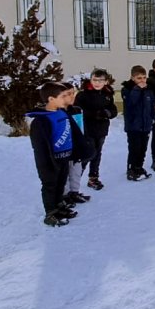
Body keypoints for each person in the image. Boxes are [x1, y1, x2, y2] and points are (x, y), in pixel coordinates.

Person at [27, 81, 79, 227]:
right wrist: (48, 163)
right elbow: (40, 146)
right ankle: (50, 212)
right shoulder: (41, 121)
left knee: (61, 183)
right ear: (51, 99)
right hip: (50, 161)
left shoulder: (62, 113)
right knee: (50, 185)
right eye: (62, 96)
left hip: (65, 157)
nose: (66, 99)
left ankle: (59, 206)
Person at [74, 68, 117, 190]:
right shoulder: (83, 95)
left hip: (102, 129)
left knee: (97, 154)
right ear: (91, 80)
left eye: (100, 80)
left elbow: (113, 110)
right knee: (87, 154)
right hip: (88, 129)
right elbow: (77, 111)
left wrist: (107, 113)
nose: (97, 83)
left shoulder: (107, 94)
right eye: (95, 80)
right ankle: (74, 182)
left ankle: (93, 178)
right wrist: (95, 114)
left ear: (106, 82)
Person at [120, 65, 155, 181]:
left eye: (144, 78)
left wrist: (152, 118)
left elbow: (152, 104)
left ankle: (139, 167)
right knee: (134, 148)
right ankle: (131, 169)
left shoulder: (148, 89)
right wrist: (137, 89)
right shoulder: (127, 89)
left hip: (145, 125)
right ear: (132, 78)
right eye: (139, 78)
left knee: (143, 148)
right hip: (133, 125)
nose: (142, 80)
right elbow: (131, 103)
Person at [62, 82, 93, 205]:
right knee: (65, 172)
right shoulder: (59, 112)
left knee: (76, 169)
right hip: (66, 147)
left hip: (77, 145)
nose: (72, 96)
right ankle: (65, 195)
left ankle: (74, 192)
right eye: (68, 94)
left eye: (73, 93)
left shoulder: (75, 110)